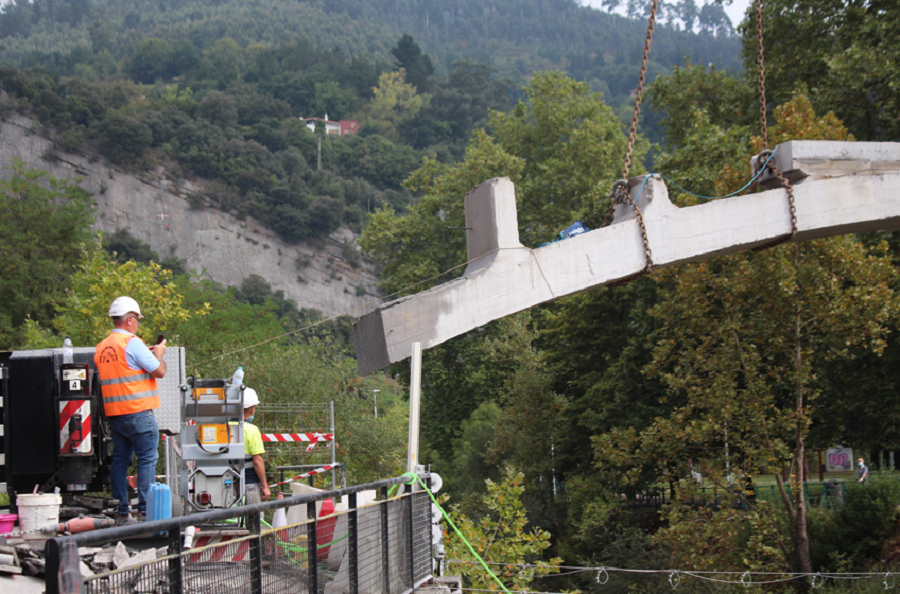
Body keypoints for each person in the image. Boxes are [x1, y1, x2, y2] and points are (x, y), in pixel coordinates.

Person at [94, 296, 166, 525]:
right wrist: (158, 354)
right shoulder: (132, 343)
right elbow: (159, 371)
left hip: (115, 415)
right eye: (137, 320)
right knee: (147, 459)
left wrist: (144, 352)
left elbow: (124, 367)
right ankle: (145, 511)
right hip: (139, 412)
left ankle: (121, 511)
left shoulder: (102, 347)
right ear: (130, 320)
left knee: (120, 461)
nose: (137, 325)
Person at [242, 387, 271, 500]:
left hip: (225, 482)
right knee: (254, 516)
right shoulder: (251, 430)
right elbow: (257, 461)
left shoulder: (223, 428)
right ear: (251, 409)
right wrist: (265, 486)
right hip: (249, 483)